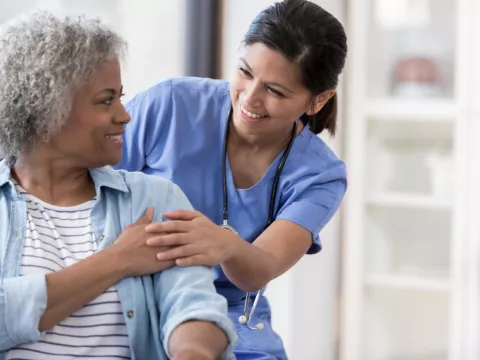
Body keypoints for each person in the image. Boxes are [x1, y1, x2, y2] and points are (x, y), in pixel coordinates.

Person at [115, 0, 347, 358]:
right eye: (245, 72)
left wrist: (225, 244)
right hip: (130, 291)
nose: (250, 98)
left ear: (318, 100)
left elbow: (260, 269)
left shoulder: (321, 175)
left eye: (276, 91)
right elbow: (86, 186)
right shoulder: (172, 104)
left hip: (231, 314)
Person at [0, 11, 237, 360]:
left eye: (120, 96)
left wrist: (193, 352)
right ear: (46, 110)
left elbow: (193, 304)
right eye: (105, 99)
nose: (124, 115)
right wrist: (118, 260)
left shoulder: (155, 199)